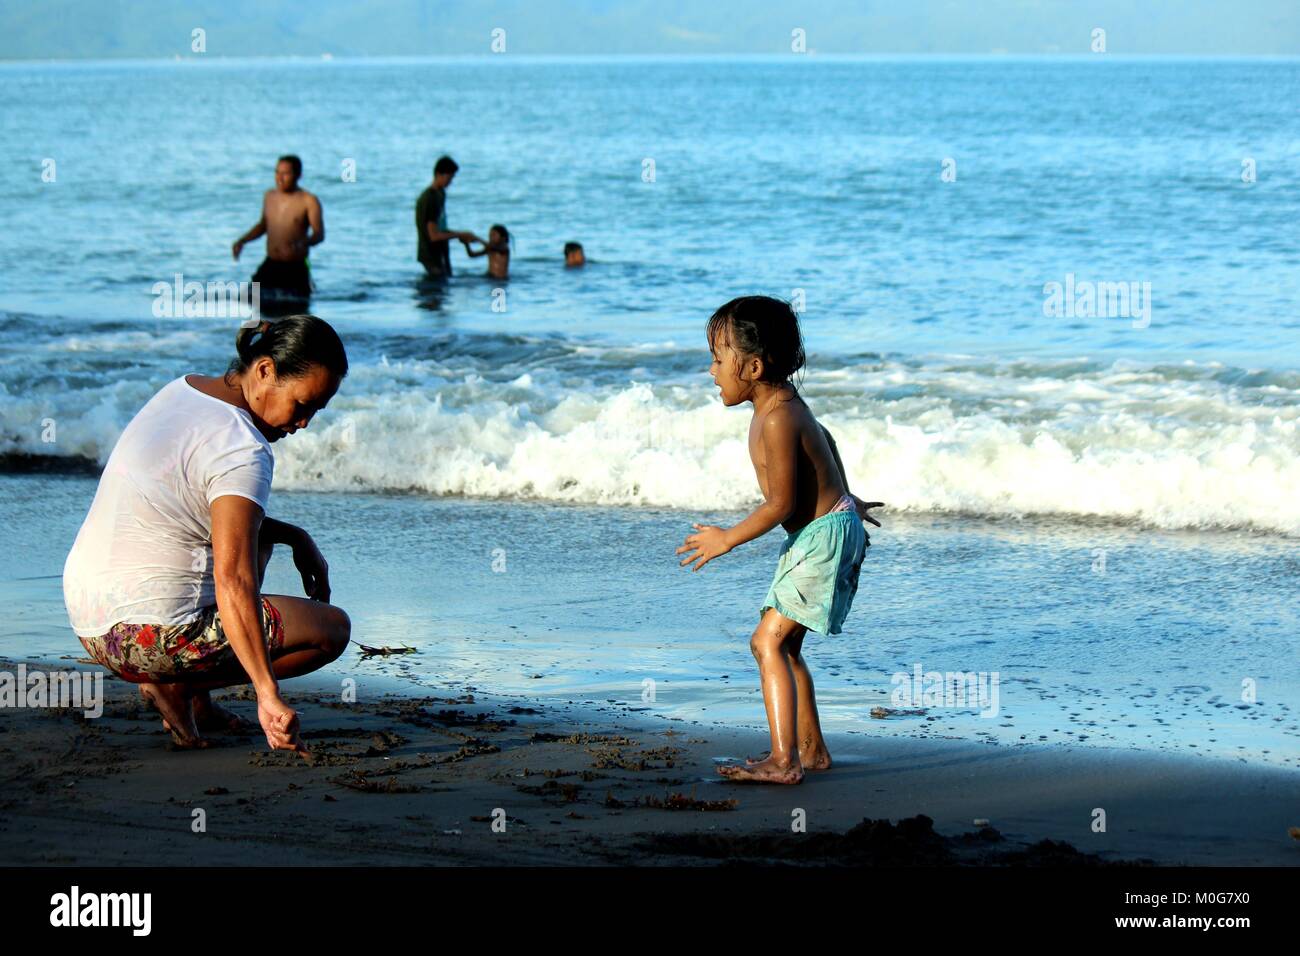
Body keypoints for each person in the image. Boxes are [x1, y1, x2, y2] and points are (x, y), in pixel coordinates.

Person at [62, 315, 352, 756]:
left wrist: (296, 536)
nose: (305, 422)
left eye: (317, 410)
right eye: (302, 405)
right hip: (147, 637)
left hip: (92, 619)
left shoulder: (185, 389)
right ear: (264, 370)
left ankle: (192, 693)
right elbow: (233, 579)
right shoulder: (244, 449)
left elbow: (191, 509)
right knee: (330, 630)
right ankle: (176, 684)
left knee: (258, 535)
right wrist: (266, 693)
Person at [676, 296, 883, 785]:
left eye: (718, 359)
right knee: (786, 647)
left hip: (821, 537)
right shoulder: (786, 403)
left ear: (752, 365)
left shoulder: (776, 417)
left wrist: (727, 539)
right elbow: (825, 440)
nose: (711, 370)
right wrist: (847, 496)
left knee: (765, 641)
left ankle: (784, 760)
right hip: (830, 527)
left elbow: (781, 505)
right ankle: (812, 752)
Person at [232, 155, 324, 304]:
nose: (279, 178)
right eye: (277, 172)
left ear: (298, 175)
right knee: (248, 298)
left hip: (296, 267)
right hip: (271, 264)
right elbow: (263, 225)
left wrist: (304, 242)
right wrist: (242, 241)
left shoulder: (309, 200)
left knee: (295, 310)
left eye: (285, 174)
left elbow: (319, 234)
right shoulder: (270, 196)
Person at [416, 156, 476, 277]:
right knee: (436, 289)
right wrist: (459, 235)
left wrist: (462, 234)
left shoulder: (440, 194)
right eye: (449, 177)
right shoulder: (429, 198)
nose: (451, 181)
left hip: (441, 251)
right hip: (431, 253)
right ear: (439, 174)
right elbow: (434, 236)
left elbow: (441, 227)